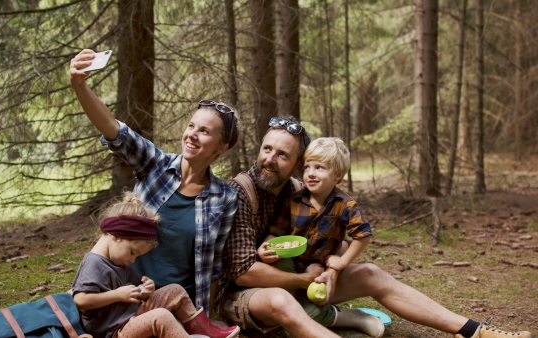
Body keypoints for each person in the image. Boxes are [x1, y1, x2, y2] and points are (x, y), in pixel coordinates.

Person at [218, 116, 533, 338]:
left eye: (282, 154)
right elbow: (243, 272)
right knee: (281, 301)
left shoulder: (299, 191)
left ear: (297, 164)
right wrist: (303, 280)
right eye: (266, 149)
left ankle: (472, 330)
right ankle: (338, 318)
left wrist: (333, 270)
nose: (270, 159)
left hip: (301, 281)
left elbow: (339, 242)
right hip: (246, 297)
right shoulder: (241, 193)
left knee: (371, 273)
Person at [69, 49, 239, 316]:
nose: (192, 135)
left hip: (177, 304)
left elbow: (212, 267)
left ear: (221, 148)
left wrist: (205, 319)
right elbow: (113, 128)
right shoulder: (155, 165)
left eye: (204, 131)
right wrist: (79, 84)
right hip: (126, 297)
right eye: (191, 126)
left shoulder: (225, 198)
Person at [257, 136, 384, 337]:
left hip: (317, 270)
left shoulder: (344, 205)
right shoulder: (294, 200)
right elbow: (277, 231)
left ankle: (340, 315)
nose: (311, 174)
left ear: (337, 175)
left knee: (309, 312)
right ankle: (295, 312)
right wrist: (266, 247)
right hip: (290, 266)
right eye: (307, 167)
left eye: (320, 168)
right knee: (280, 269)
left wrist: (341, 262)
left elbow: (363, 236)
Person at [72, 192, 240, 338]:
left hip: (129, 314)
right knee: (161, 317)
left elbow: (136, 289)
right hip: (114, 331)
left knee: (175, 290)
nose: (132, 260)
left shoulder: (117, 260)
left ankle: (204, 331)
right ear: (116, 236)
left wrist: (145, 289)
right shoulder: (94, 263)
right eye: (132, 252)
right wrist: (118, 295)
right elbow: (80, 300)